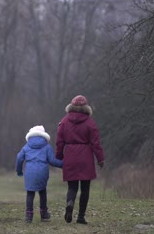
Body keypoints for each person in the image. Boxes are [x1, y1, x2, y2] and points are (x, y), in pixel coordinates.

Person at [56, 95, 105, 224]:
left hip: (70, 156)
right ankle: (81, 217)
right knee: (85, 188)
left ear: (71, 106)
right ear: (85, 107)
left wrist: (59, 156)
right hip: (86, 158)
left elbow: (59, 141)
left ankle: (70, 202)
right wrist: (100, 159)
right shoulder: (90, 122)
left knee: (72, 187)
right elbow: (96, 143)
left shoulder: (64, 121)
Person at [16, 125, 63, 223]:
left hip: (30, 172)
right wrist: (65, 165)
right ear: (43, 135)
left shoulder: (26, 146)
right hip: (42, 171)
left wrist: (19, 171)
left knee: (30, 193)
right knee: (42, 192)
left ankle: (29, 216)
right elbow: (52, 161)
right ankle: (44, 214)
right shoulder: (46, 146)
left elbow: (19, 158)